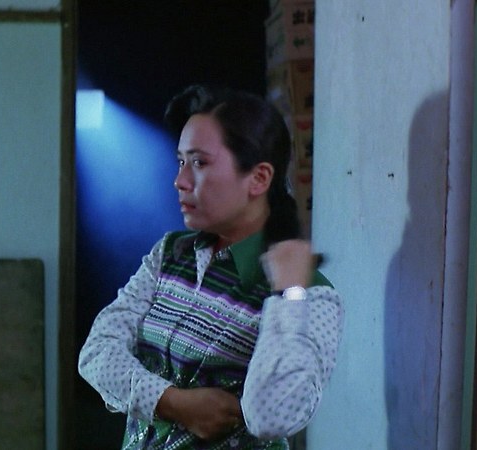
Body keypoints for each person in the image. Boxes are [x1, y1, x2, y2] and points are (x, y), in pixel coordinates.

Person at [78, 84, 344, 449]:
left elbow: (270, 416)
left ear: (259, 178)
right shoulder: (171, 254)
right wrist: (173, 403)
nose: (180, 181)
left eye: (199, 163)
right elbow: (96, 353)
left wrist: (288, 294)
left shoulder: (310, 292)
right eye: (181, 161)